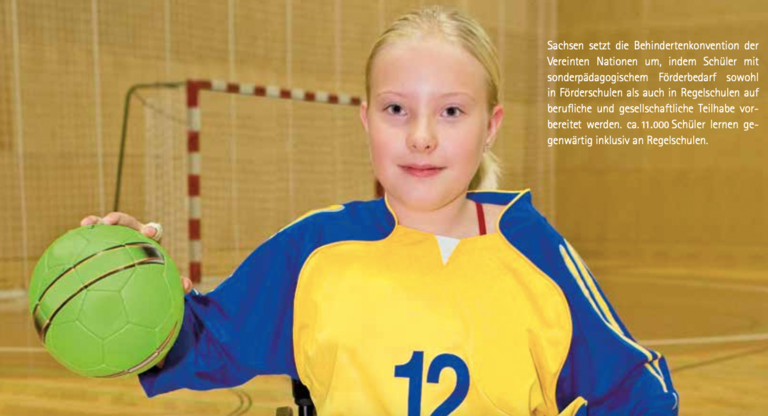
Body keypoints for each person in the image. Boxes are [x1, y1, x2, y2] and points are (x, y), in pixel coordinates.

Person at [82, 6, 678, 415]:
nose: (421, 136)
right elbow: (200, 342)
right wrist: (136, 292)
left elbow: (637, 388)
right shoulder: (316, 248)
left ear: (491, 127)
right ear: (366, 119)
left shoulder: (535, 252)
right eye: (397, 109)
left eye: (451, 112)